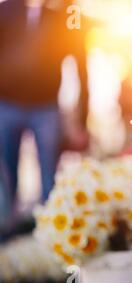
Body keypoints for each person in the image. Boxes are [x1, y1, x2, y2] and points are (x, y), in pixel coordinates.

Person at [0, 0, 89, 217]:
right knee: (6, 175)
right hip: (7, 104)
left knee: (50, 174)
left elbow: (81, 67)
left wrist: (81, 121)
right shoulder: (5, 10)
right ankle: (5, 230)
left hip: (46, 107)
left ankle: (52, 226)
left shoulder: (65, 17)